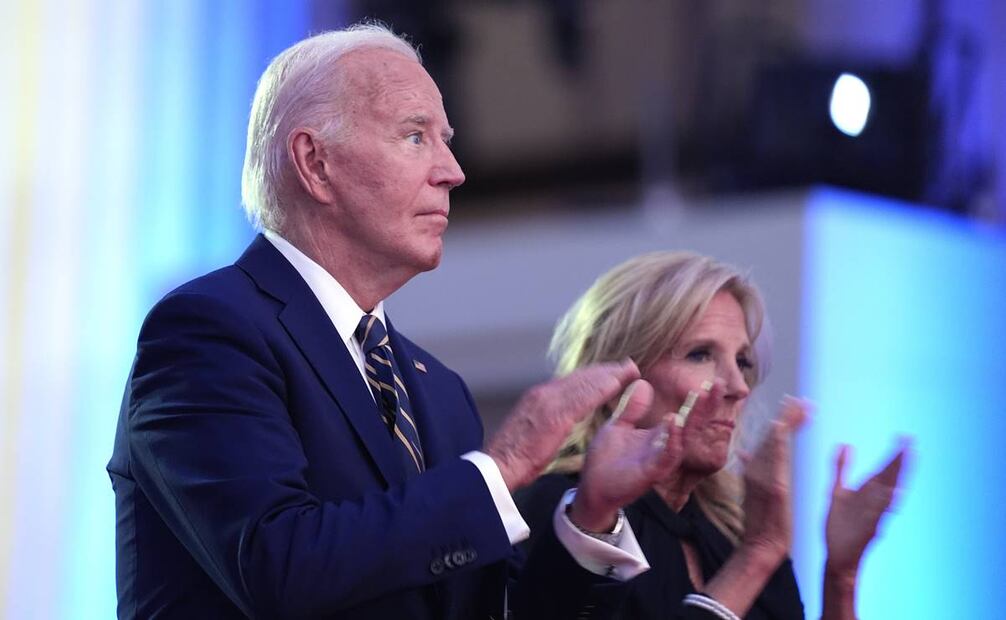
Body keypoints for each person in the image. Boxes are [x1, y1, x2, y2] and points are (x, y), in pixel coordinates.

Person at [106, 23, 667, 619]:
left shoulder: (439, 390)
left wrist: (592, 514)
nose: (453, 171)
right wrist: (500, 469)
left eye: (445, 140)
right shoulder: (209, 332)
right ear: (315, 162)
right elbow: (279, 568)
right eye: (415, 136)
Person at [515, 251, 910, 619]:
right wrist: (756, 557)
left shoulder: (732, 528)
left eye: (743, 361)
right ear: (618, 377)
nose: (738, 385)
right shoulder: (564, 513)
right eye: (700, 354)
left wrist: (841, 577)